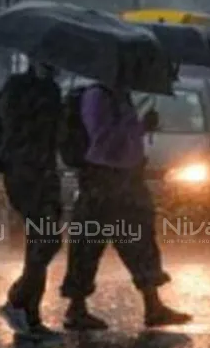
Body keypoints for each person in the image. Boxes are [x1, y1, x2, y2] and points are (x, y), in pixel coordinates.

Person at [59, 79, 192, 331]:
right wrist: (134, 128)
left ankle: (153, 305)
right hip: (103, 179)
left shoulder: (121, 95)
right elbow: (102, 139)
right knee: (88, 244)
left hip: (127, 178)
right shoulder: (97, 96)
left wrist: (142, 127)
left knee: (140, 241)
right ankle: (76, 308)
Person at [0, 62, 65, 340]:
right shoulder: (18, 88)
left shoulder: (50, 90)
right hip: (25, 173)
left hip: (43, 172)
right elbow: (18, 129)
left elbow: (55, 137)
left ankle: (30, 313)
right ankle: (18, 301)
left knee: (41, 241)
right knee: (46, 240)